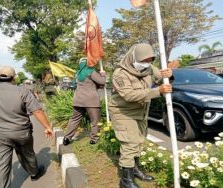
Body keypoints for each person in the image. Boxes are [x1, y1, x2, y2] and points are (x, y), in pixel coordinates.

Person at [0, 66, 54, 188]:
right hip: (21, 133)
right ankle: (34, 173)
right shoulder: (23, 91)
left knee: (1, 166)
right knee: (27, 155)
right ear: (14, 77)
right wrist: (47, 127)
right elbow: (37, 111)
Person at [108, 43, 172, 188]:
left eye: (150, 60)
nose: (146, 64)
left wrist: (169, 75)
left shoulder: (149, 68)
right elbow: (129, 95)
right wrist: (157, 91)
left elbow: (160, 79)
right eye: (143, 60)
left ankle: (135, 170)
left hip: (141, 111)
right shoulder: (120, 73)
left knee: (139, 141)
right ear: (133, 57)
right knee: (129, 144)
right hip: (123, 112)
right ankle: (125, 181)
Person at [63, 58, 106, 145]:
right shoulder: (90, 71)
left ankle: (67, 138)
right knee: (95, 121)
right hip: (91, 101)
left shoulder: (77, 73)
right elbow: (102, 82)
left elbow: (76, 84)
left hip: (78, 100)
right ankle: (94, 139)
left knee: (74, 119)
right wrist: (103, 75)